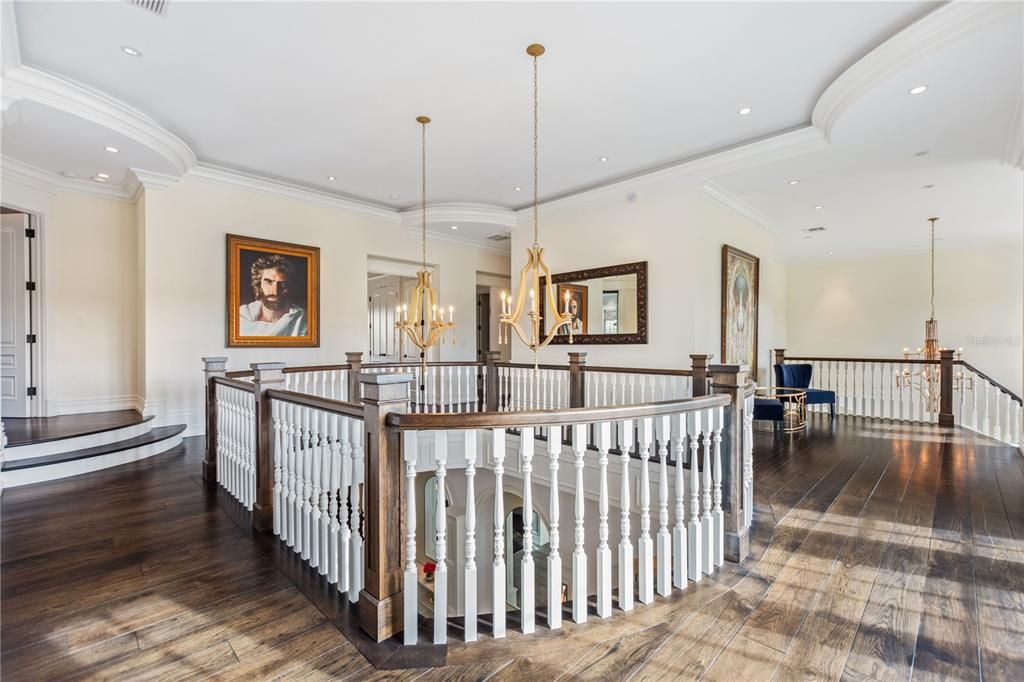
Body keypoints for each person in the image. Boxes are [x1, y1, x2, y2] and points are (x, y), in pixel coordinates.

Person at [239, 254, 307, 336]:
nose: (275, 291)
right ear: (258, 285)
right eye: (268, 282)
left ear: (290, 286)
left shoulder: (303, 321)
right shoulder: (241, 317)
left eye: (283, 284)